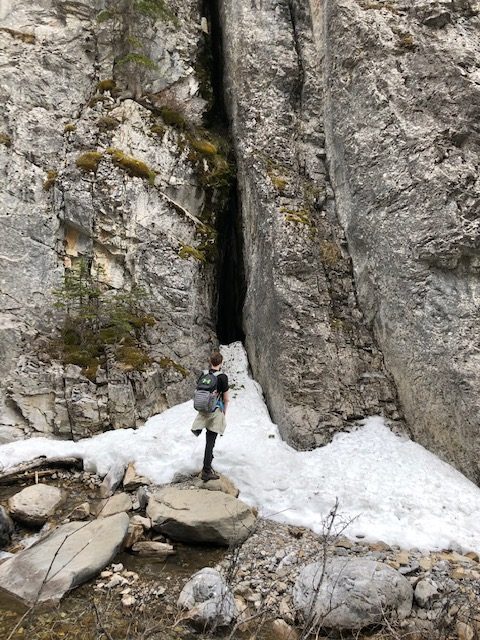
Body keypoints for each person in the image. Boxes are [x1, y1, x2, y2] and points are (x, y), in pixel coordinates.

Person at [192, 351, 229, 481]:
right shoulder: (222, 377)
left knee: (209, 441)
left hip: (203, 410)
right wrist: (224, 412)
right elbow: (226, 398)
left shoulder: (204, 374)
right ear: (221, 362)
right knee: (210, 441)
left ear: (210, 361)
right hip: (215, 411)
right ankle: (206, 471)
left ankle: (209, 463)